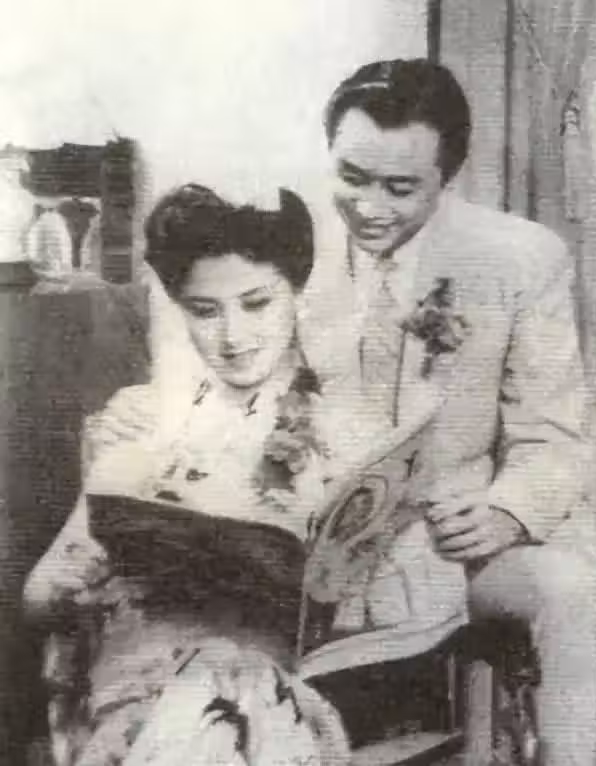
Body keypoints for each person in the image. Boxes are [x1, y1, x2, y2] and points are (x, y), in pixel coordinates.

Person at [299, 57, 596, 765]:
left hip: (455, 545)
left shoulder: (519, 259)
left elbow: (553, 435)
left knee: (570, 591)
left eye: (400, 188)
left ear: (446, 177)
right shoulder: (291, 252)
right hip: (318, 557)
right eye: (352, 177)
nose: (370, 207)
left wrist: (506, 510)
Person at [23, 184, 358, 766]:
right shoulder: (142, 417)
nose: (233, 336)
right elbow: (39, 594)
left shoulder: (339, 430)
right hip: (143, 687)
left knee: (233, 705)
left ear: (296, 294)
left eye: (257, 304)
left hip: (279, 687)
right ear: (181, 310)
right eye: (205, 311)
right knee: (203, 713)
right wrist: (65, 582)